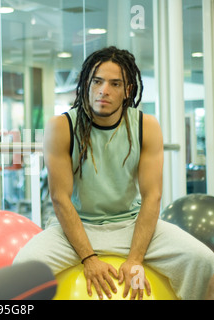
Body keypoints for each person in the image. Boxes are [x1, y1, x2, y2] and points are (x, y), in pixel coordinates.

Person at [13, 46, 214, 300]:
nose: (103, 90)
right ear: (87, 84)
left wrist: (135, 259)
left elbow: (152, 196)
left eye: (114, 84)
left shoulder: (146, 126)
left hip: (131, 225)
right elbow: (60, 199)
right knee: (20, 273)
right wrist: (89, 258)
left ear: (127, 91)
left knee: (204, 261)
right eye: (97, 81)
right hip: (74, 229)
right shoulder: (61, 126)